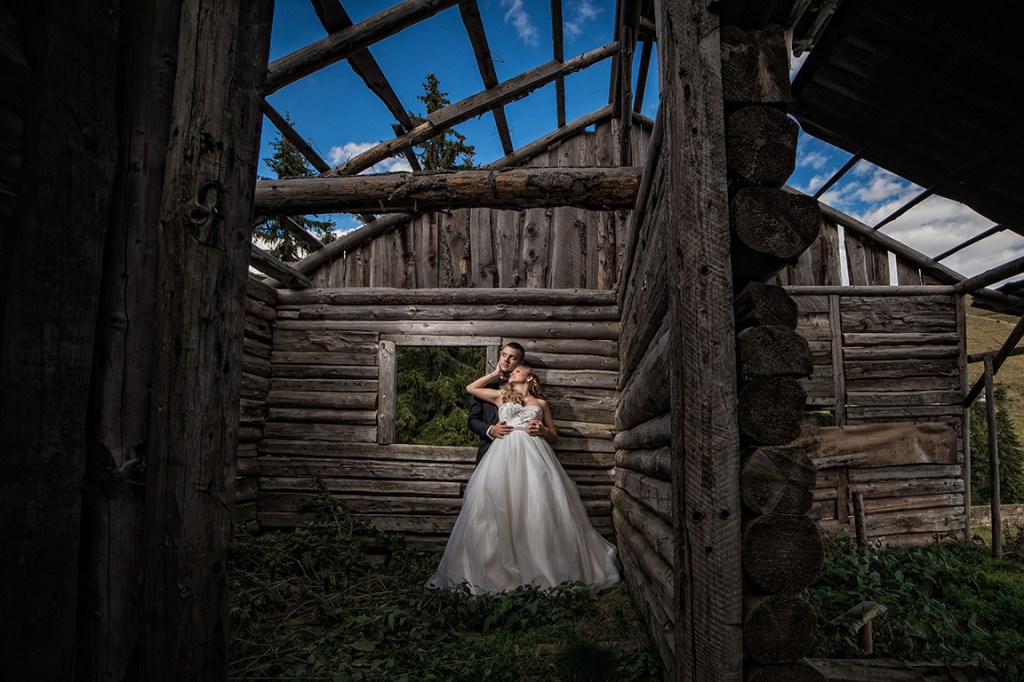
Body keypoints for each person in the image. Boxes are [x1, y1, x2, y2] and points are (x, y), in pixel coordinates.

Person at [428, 363, 620, 595]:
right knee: (497, 506)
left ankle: (545, 568)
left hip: (535, 456)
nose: (512, 373)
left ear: (530, 378)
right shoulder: (502, 396)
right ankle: (497, 574)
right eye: (511, 372)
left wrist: (543, 430)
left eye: (517, 370)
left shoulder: (541, 404)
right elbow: (471, 388)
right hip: (504, 454)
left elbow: (554, 435)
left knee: (538, 506)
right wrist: (496, 374)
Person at [466, 342, 525, 463]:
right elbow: (472, 420)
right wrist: (490, 429)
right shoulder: (484, 387)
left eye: (512, 357)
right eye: (504, 355)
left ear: (519, 362)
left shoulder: (527, 389)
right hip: (489, 449)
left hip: (521, 451)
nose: (506, 360)